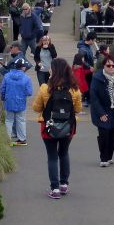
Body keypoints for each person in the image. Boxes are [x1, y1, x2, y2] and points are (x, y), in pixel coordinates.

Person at [31, 57, 83, 199]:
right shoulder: (75, 90)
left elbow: (36, 108)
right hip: (68, 127)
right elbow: (78, 109)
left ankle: (54, 189)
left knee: (52, 156)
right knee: (64, 153)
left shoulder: (44, 89)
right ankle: (64, 184)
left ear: (53, 71)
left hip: (49, 127)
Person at [89, 53, 114, 167]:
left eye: (113, 65)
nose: (111, 67)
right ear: (104, 66)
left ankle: (109, 156)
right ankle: (103, 158)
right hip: (101, 110)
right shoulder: (97, 78)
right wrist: (101, 113)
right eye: (108, 65)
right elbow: (94, 96)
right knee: (103, 134)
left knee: (111, 134)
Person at [1, 56, 33, 146]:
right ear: (22, 67)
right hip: (20, 101)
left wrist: (3, 97)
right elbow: (29, 92)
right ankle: (22, 139)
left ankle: (8, 139)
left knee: (8, 120)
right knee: (21, 120)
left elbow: (2, 89)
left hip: (9, 100)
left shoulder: (7, 76)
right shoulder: (27, 78)